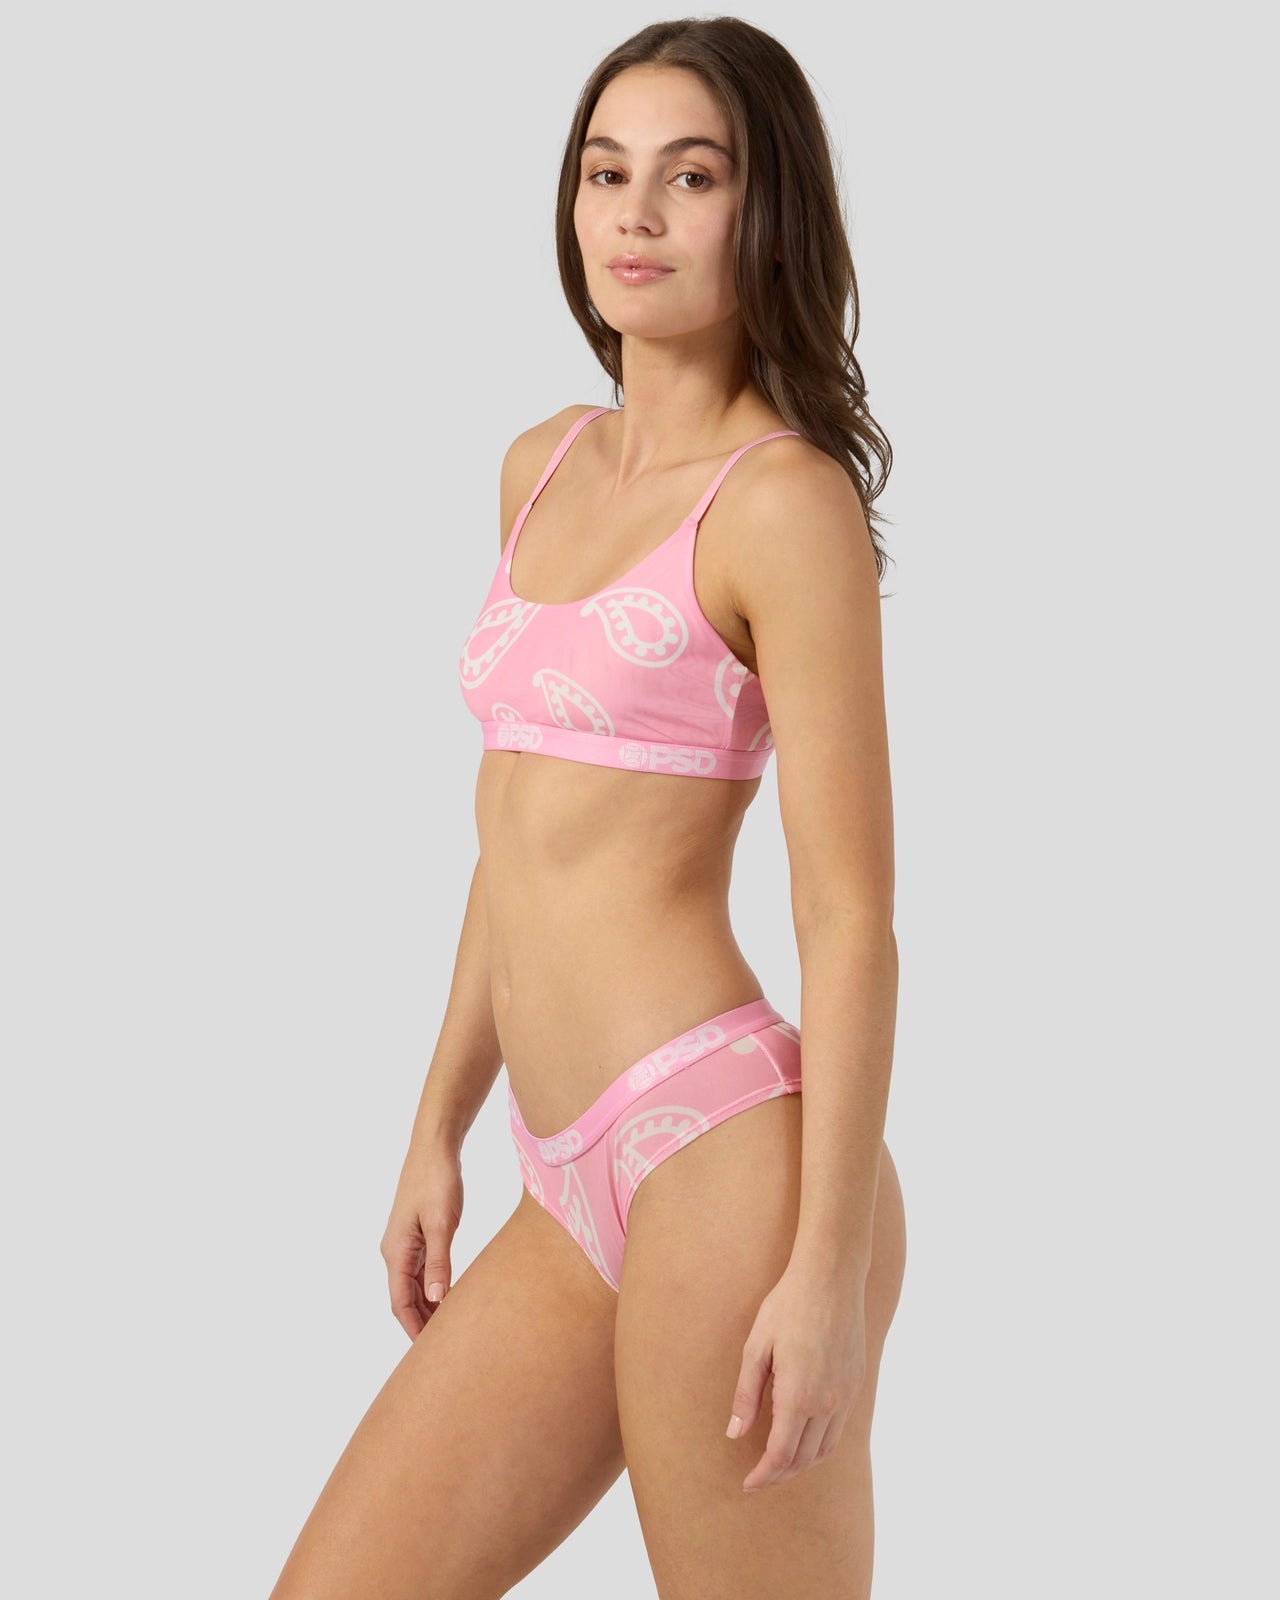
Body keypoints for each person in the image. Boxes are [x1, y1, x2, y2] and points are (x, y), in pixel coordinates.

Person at [270, 16, 906, 1599]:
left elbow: (850, 915)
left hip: (725, 1161)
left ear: (768, 213)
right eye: (606, 173)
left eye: (691, 177)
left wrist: (828, 1272)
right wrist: (437, 1125)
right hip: (562, 1179)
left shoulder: (783, 504)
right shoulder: (541, 465)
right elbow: (515, 836)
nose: (636, 214)